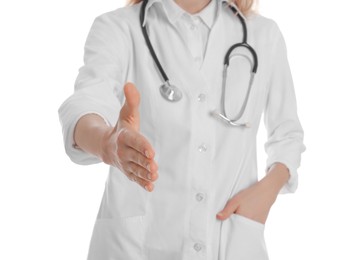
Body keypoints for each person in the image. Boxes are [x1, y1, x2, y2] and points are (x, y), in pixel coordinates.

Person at [58, 0, 306, 259]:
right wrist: (107, 144)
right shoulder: (118, 28)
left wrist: (267, 192)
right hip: (135, 247)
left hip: (231, 242)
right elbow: (87, 104)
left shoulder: (263, 35)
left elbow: (287, 134)